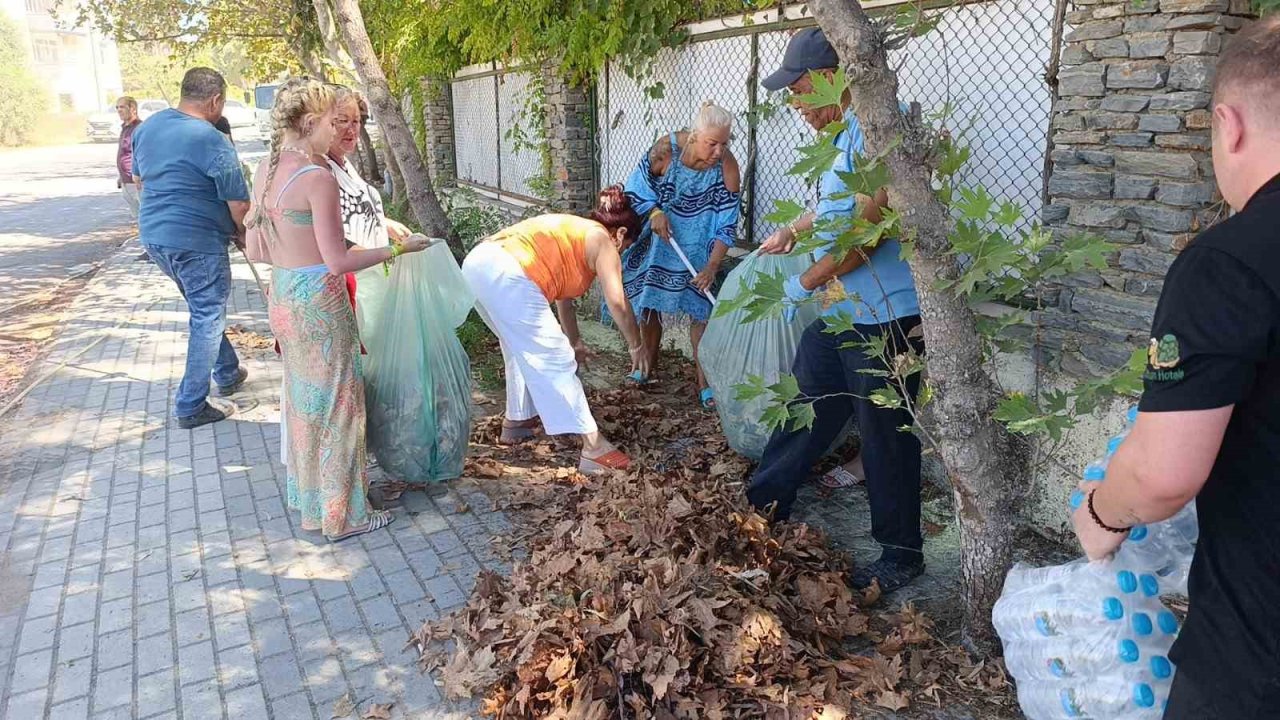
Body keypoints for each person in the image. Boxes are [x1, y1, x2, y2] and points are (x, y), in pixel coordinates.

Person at [1071, 17, 1280, 717]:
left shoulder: (1232, 259)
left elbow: (1163, 474)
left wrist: (1104, 514)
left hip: (1257, 656)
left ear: (1230, 124)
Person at [745, 28, 926, 595]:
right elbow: (831, 207)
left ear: (833, 77)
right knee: (808, 399)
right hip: (847, 310)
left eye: (799, 90)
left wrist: (805, 281)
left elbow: (865, 234)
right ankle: (763, 502)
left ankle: (901, 553)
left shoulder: (876, 132)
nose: (796, 105)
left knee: (886, 435)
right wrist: (793, 231)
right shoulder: (840, 134)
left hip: (888, 317)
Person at [244, 77, 431, 541]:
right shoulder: (317, 178)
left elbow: (257, 248)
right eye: (334, 121)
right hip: (320, 301)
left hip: (284, 294)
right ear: (310, 122)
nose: (340, 131)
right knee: (340, 407)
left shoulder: (266, 166)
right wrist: (400, 251)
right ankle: (344, 517)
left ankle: (312, 506)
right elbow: (339, 260)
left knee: (306, 404)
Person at [461, 189, 650, 474]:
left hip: (478, 264)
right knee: (556, 358)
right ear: (620, 233)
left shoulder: (576, 234)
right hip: (507, 270)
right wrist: (637, 345)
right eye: (625, 247)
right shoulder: (603, 241)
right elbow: (617, 301)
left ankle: (517, 421)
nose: (620, 254)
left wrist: (574, 339)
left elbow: (564, 296)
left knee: (517, 348)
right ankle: (594, 447)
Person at [132, 68, 252, 429]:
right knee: (207, 314)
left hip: (155, 237)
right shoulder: (212, 139)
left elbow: (139, 180)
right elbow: (240, 206)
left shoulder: (148, 128)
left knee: (203, 308)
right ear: (215, 100)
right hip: (197, 241)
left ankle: (228, 371)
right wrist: (242, 234)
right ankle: (191, 404)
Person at [620, 101, 741, 408]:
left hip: (700, 245)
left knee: (701, 313)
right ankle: (645, 369)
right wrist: (654, 211)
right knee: (650, 305)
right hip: (663, 237)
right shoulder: (666, 150)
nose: (718, 152)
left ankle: (705, 384)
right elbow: (635, 188)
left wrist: (713, 265)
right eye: (712, 143)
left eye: (724, 144)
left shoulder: (727, 167)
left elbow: (727, 224)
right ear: (695, 135)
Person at [115, 96, 142, 221]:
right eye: (117, 107)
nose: (119, 110)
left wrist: (140, 175)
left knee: (146, 216)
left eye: (122, 107)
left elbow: (142, 153)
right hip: (126, 181)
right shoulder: (125, 128)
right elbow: (124, 154)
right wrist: (121, 176)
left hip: (138, 182)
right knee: (137, 218)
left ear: (133, 108)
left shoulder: (139, 128)